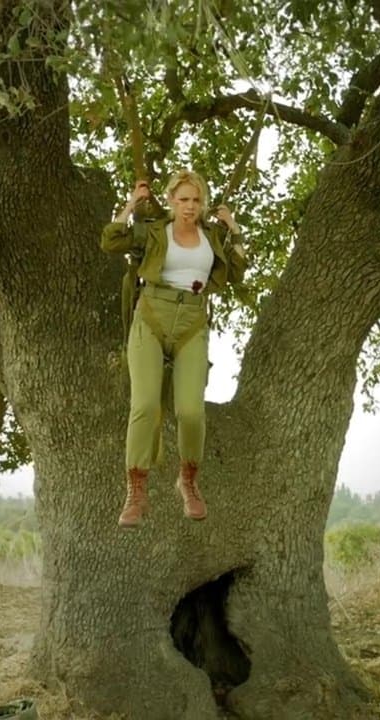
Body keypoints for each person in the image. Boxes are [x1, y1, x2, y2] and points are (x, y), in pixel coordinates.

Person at [100, 169, 247, 529]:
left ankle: (189, 480)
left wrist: (234, 228)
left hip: (192, 322)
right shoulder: (154, 231)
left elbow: (238, 270)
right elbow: (111, 240)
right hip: (151, 316)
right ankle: (136, 490)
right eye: (183, 199)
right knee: (146, 406)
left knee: (191, 412)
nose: (190, 206)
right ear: (170, 200)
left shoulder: (212, 236)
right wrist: (132, 203)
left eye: (196, 200)